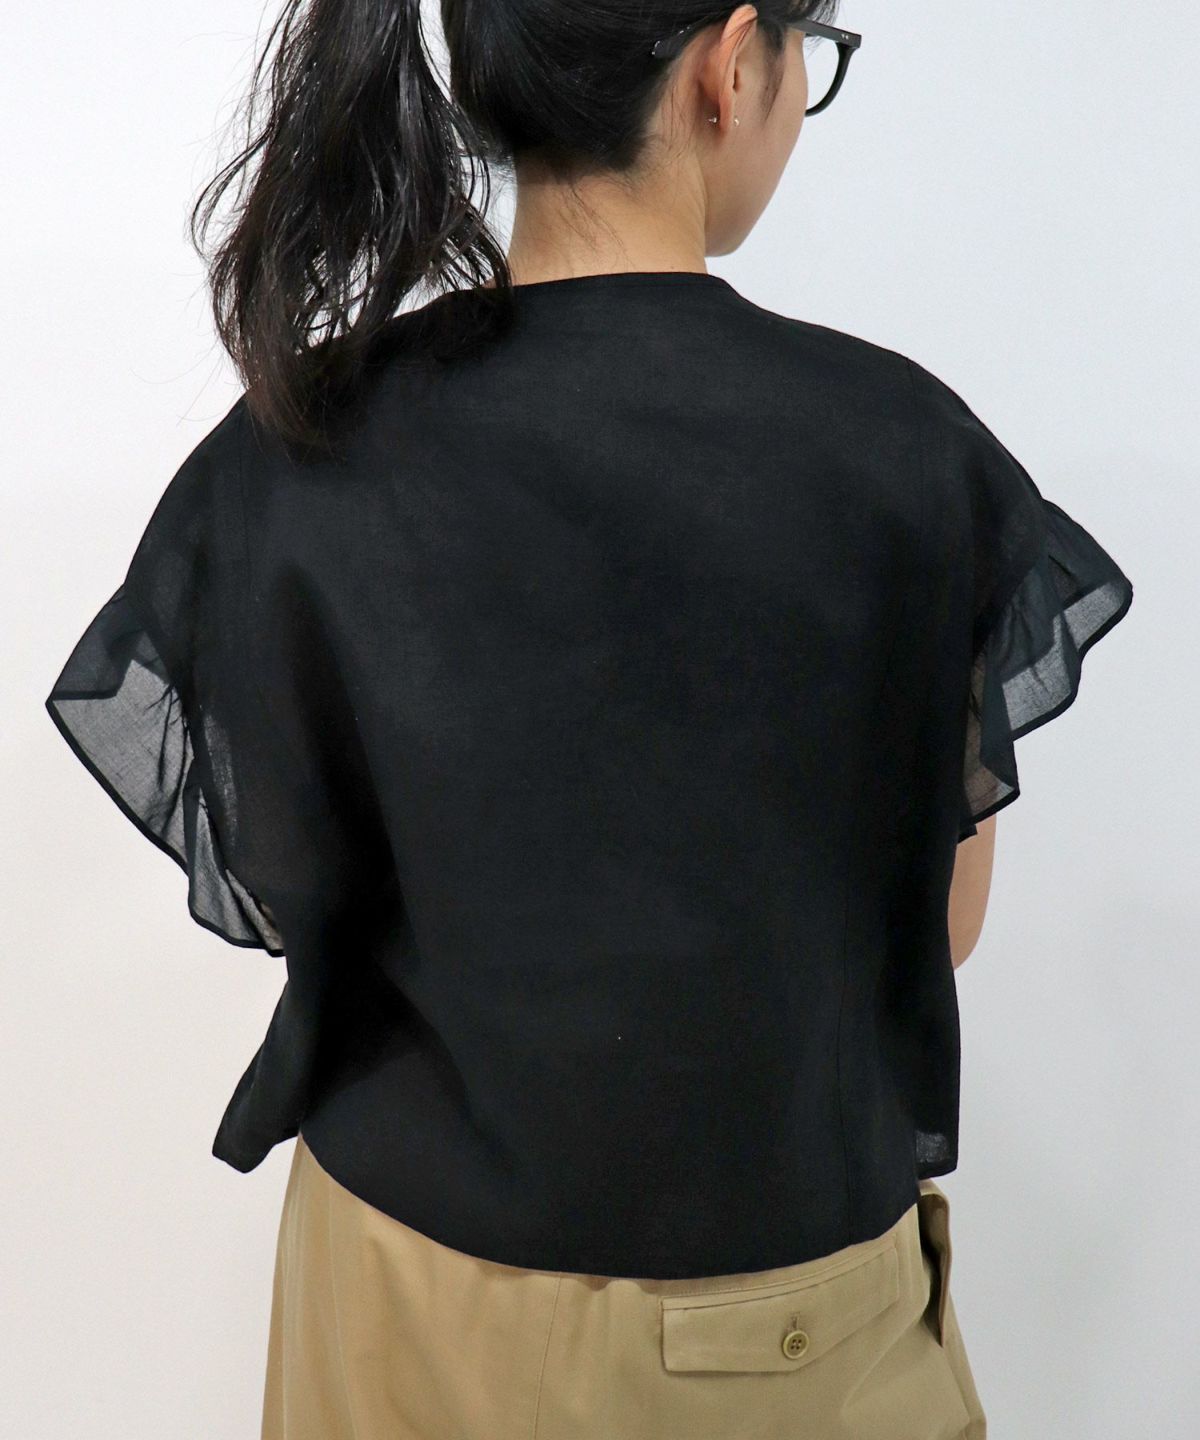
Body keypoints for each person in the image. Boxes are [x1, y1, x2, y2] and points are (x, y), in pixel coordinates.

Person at [44, 3, 1134, 1437]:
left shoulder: (306, 444)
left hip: (395, 1303)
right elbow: (938, 922)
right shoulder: (903, 457)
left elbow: (278, 868)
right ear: (729, 66)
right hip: (776, 1326)